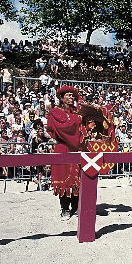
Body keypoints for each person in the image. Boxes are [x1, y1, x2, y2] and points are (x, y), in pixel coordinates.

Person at [46, 85, 83, 220]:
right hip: (63, 148)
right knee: (63, 180)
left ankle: (76, 207)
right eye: (68, 95)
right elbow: (66, 128)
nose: (71, 97)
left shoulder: (76, 113)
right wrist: (79, 120)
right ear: (61, 98)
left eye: (72, 95)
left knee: (77, 179)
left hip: (76, 149)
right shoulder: (56, 112)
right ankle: (65, 209)